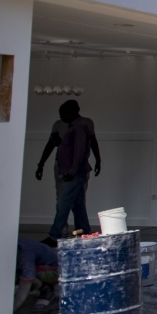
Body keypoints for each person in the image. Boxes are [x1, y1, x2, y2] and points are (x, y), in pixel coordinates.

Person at [44, 101, 97, 245]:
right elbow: (53, 145)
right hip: (72, 171)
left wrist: (72, 171)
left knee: (63, 203)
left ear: (74, 111)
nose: (61, 116)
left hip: (73, 173)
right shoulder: (71, 127)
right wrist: (41, 163)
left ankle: (55, 236)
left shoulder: (79, 128)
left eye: (64, 113)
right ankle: (85, 233)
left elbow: (80, 152)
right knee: (77, 204)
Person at [14, 238, 58, 312]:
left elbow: (26, 283)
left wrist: (11, 311)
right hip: (37, 264)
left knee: (25, 276)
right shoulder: (14, 245)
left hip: (55, 270)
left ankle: (46, 290)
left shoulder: (25, 253)